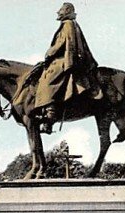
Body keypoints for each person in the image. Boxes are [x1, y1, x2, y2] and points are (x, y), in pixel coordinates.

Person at [34, 3, 101, 134]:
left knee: (48, 79)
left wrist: (49, 53)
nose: (58, 12)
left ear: (67, 11)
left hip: (67, 60)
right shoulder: (68, 24)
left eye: (61, 10)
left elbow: (61, 44)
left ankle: (50, 112)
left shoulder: (68, 24)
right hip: (66, 58)